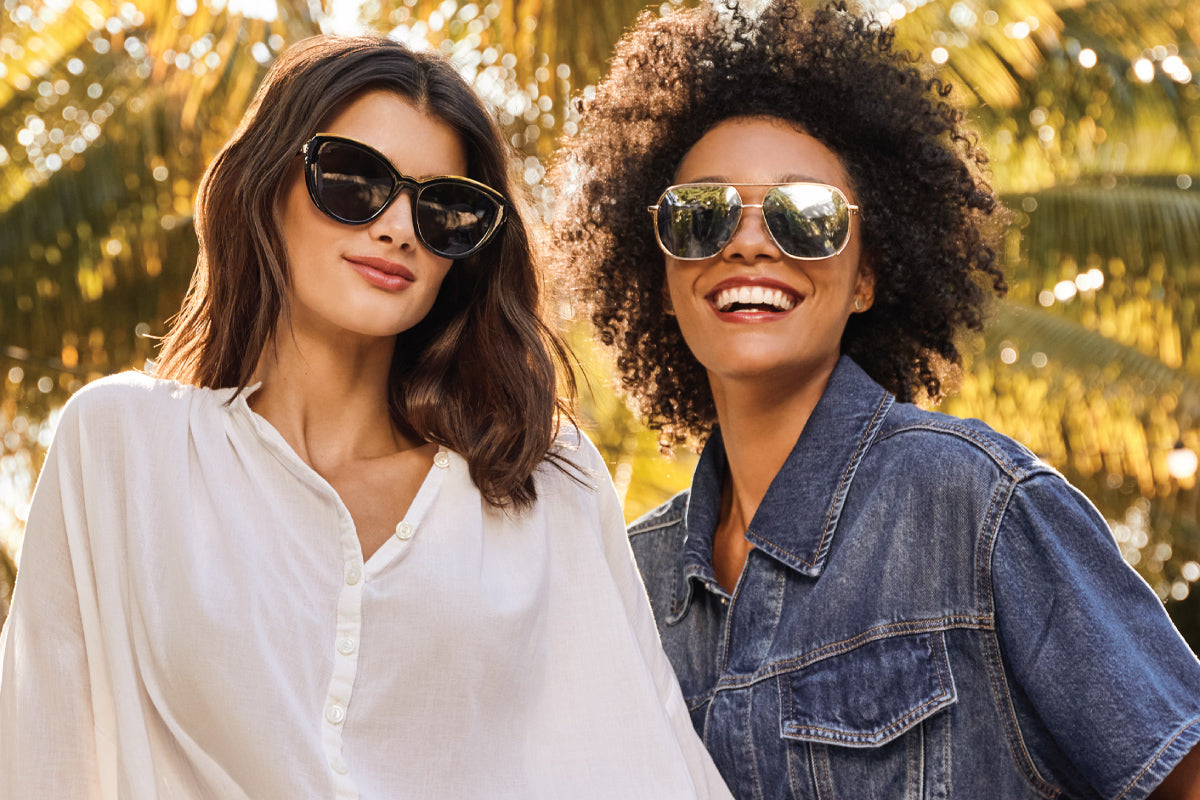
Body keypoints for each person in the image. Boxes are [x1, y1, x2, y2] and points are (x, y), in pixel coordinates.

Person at [0, 35, 732, 799]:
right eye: (353, 182)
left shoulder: (542, 483)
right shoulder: (124, 447)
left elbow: (638, 759)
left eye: (445, 209)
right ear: (268, 184)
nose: (398, 229)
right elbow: (43, 751)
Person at [549, 2, 1200, 798]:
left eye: (806, 217)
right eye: (701, 216)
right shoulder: (631, 579)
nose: (749, 242)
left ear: (865, 278)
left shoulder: (975, 505)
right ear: (658, 273)